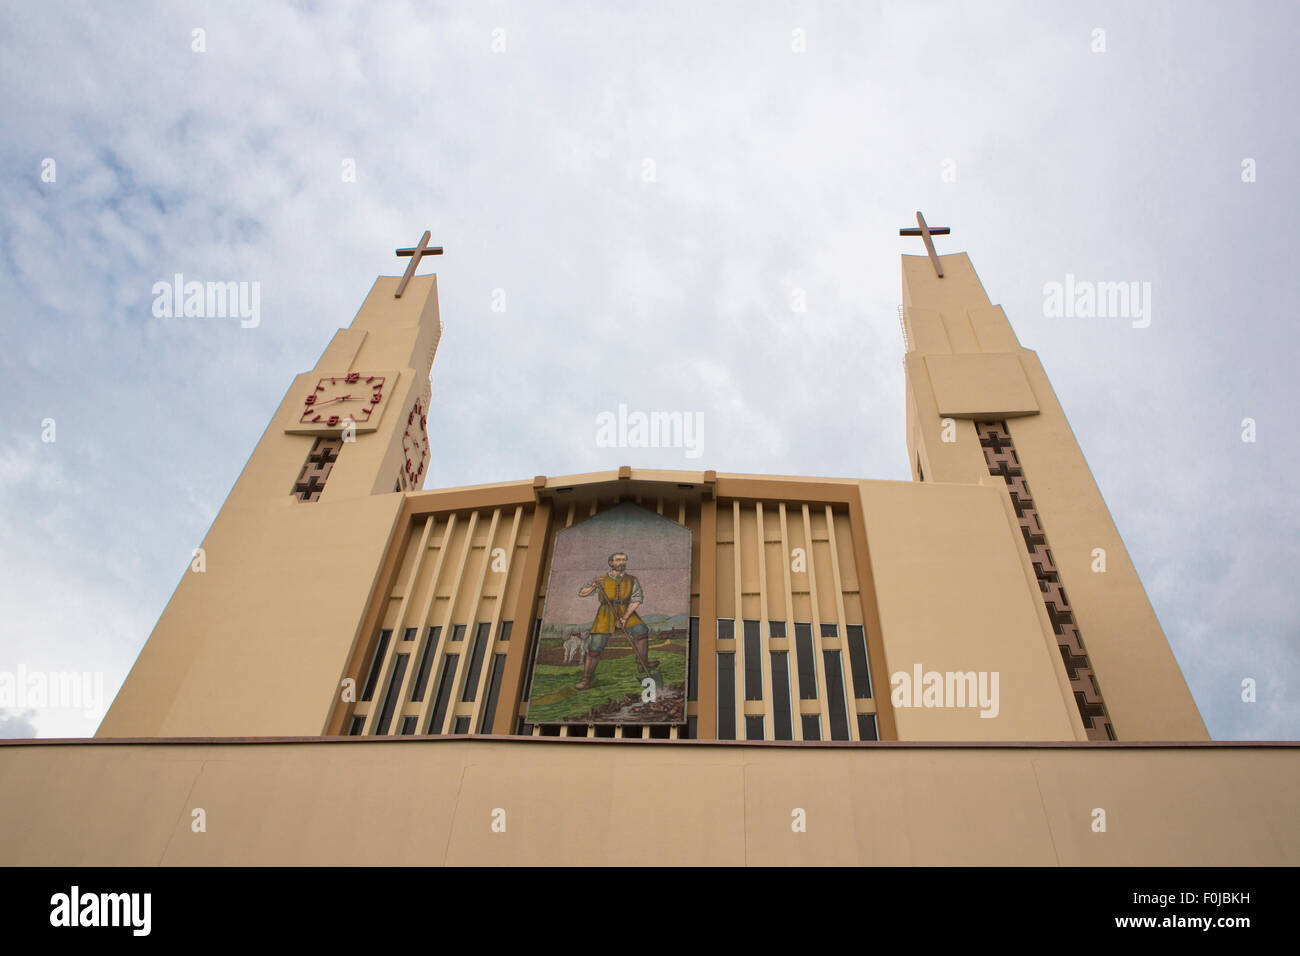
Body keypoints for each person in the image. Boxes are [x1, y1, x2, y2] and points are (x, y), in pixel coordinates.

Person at [573, 551, 657, 690]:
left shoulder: (632, 580)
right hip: (606, 612)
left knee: (641, 629)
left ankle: (642, 664)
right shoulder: (601, 579)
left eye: (624, 560)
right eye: (618, 560)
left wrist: (625, 618)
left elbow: (637, 599)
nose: (621, 563)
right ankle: (586, 679)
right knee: (596, 645)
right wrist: (594, 585)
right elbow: (582, 593)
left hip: (626, 610)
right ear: (610, 563)